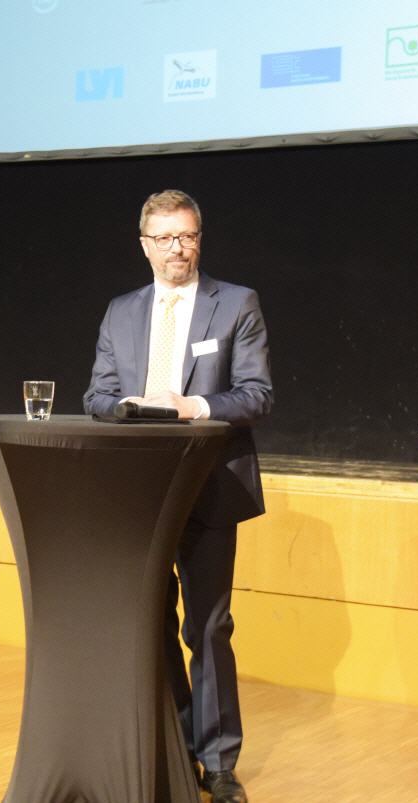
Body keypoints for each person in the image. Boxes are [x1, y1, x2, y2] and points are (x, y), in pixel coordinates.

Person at [84, 189, 272, 803]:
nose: (177, 249)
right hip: (138, 488)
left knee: (209, 627)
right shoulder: (121, 311)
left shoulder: (235, 303)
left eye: (187, 236)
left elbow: (256, 395)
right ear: (145, 245)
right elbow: (96, 395)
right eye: (164, 238)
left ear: (199, 240)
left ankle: (218, 764)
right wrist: (128, 408)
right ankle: (174, 743)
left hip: (209, 483)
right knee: (150, 621)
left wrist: (193, 406)